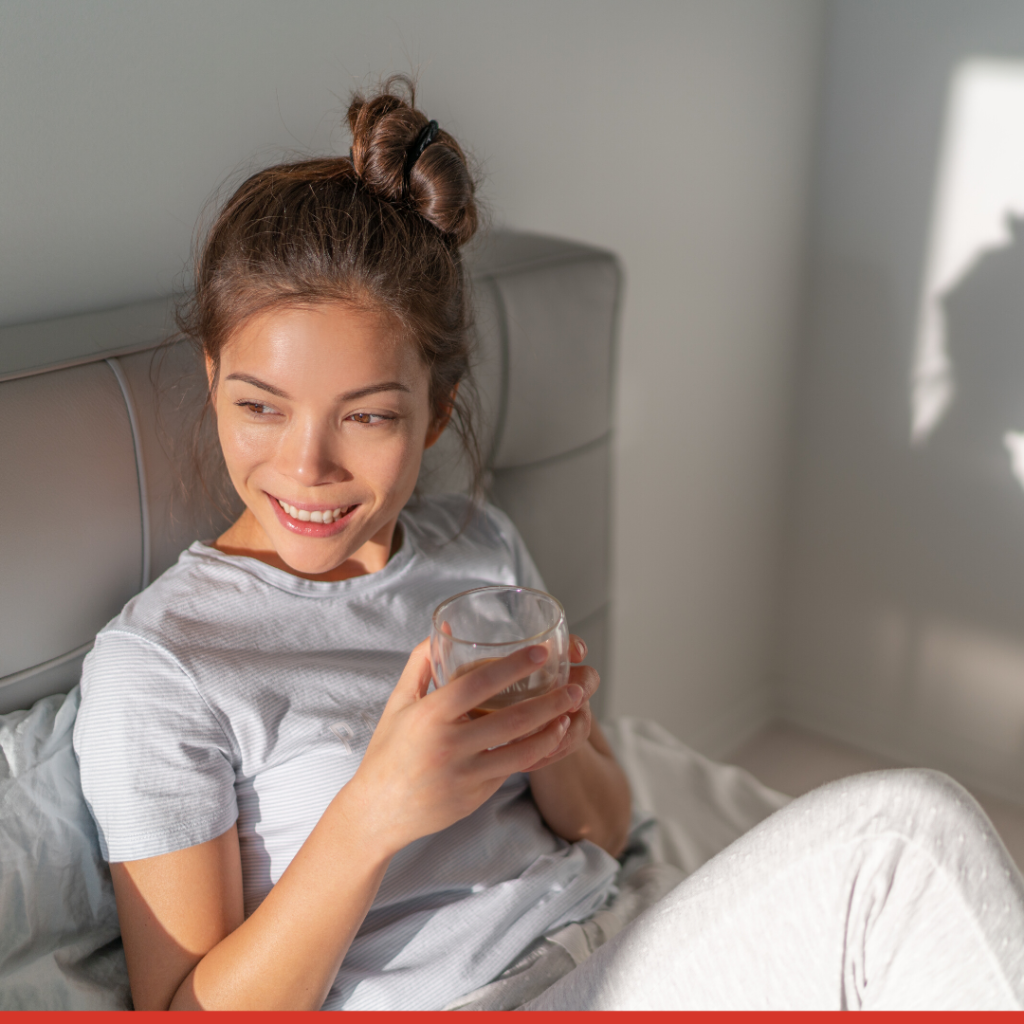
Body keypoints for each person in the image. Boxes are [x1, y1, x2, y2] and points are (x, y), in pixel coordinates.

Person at [73, 79, 1024, 1012]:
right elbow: (183, 1009)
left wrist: (547, 734)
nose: (306, 464)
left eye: (365, 416)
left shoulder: (477, 549)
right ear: (212, 379)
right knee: (907, 842)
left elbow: (605, 827)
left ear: (436, 411)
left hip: (621, 931)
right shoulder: (163, 666)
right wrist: (375, 812)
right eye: (259, 407)